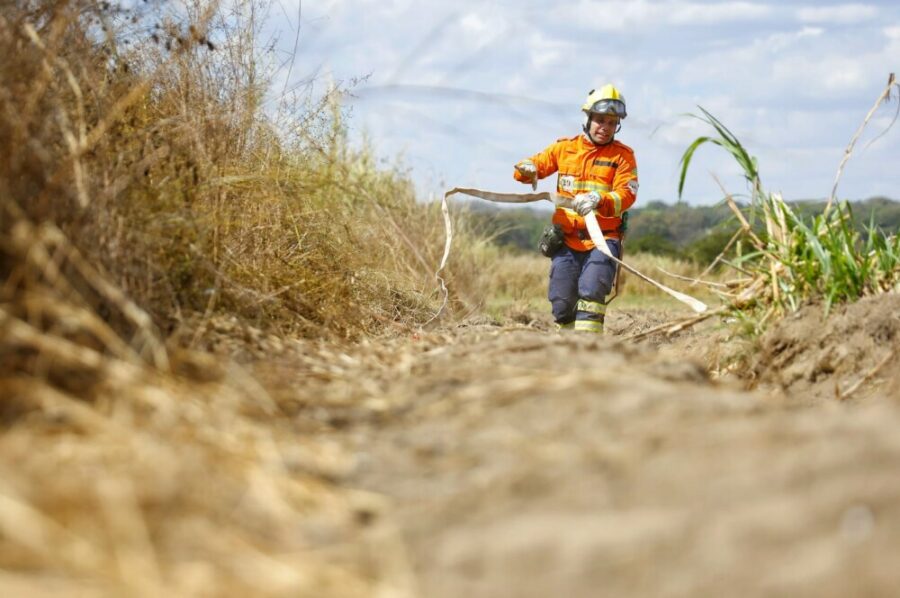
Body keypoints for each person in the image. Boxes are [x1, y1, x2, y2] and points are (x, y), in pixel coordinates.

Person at [513, 84, 638, 333]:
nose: (605, 127)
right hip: (566, 240)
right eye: (600, 120)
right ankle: (569, 350)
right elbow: (532, 165)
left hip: (603, 240)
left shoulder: (623, 157)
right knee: (561, 303)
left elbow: (627, 194)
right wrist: (526, 170)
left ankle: (589, 352)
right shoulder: (565, 149)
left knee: (592, 293)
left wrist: (599, 200)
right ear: (588, 118)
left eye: (612, 122)